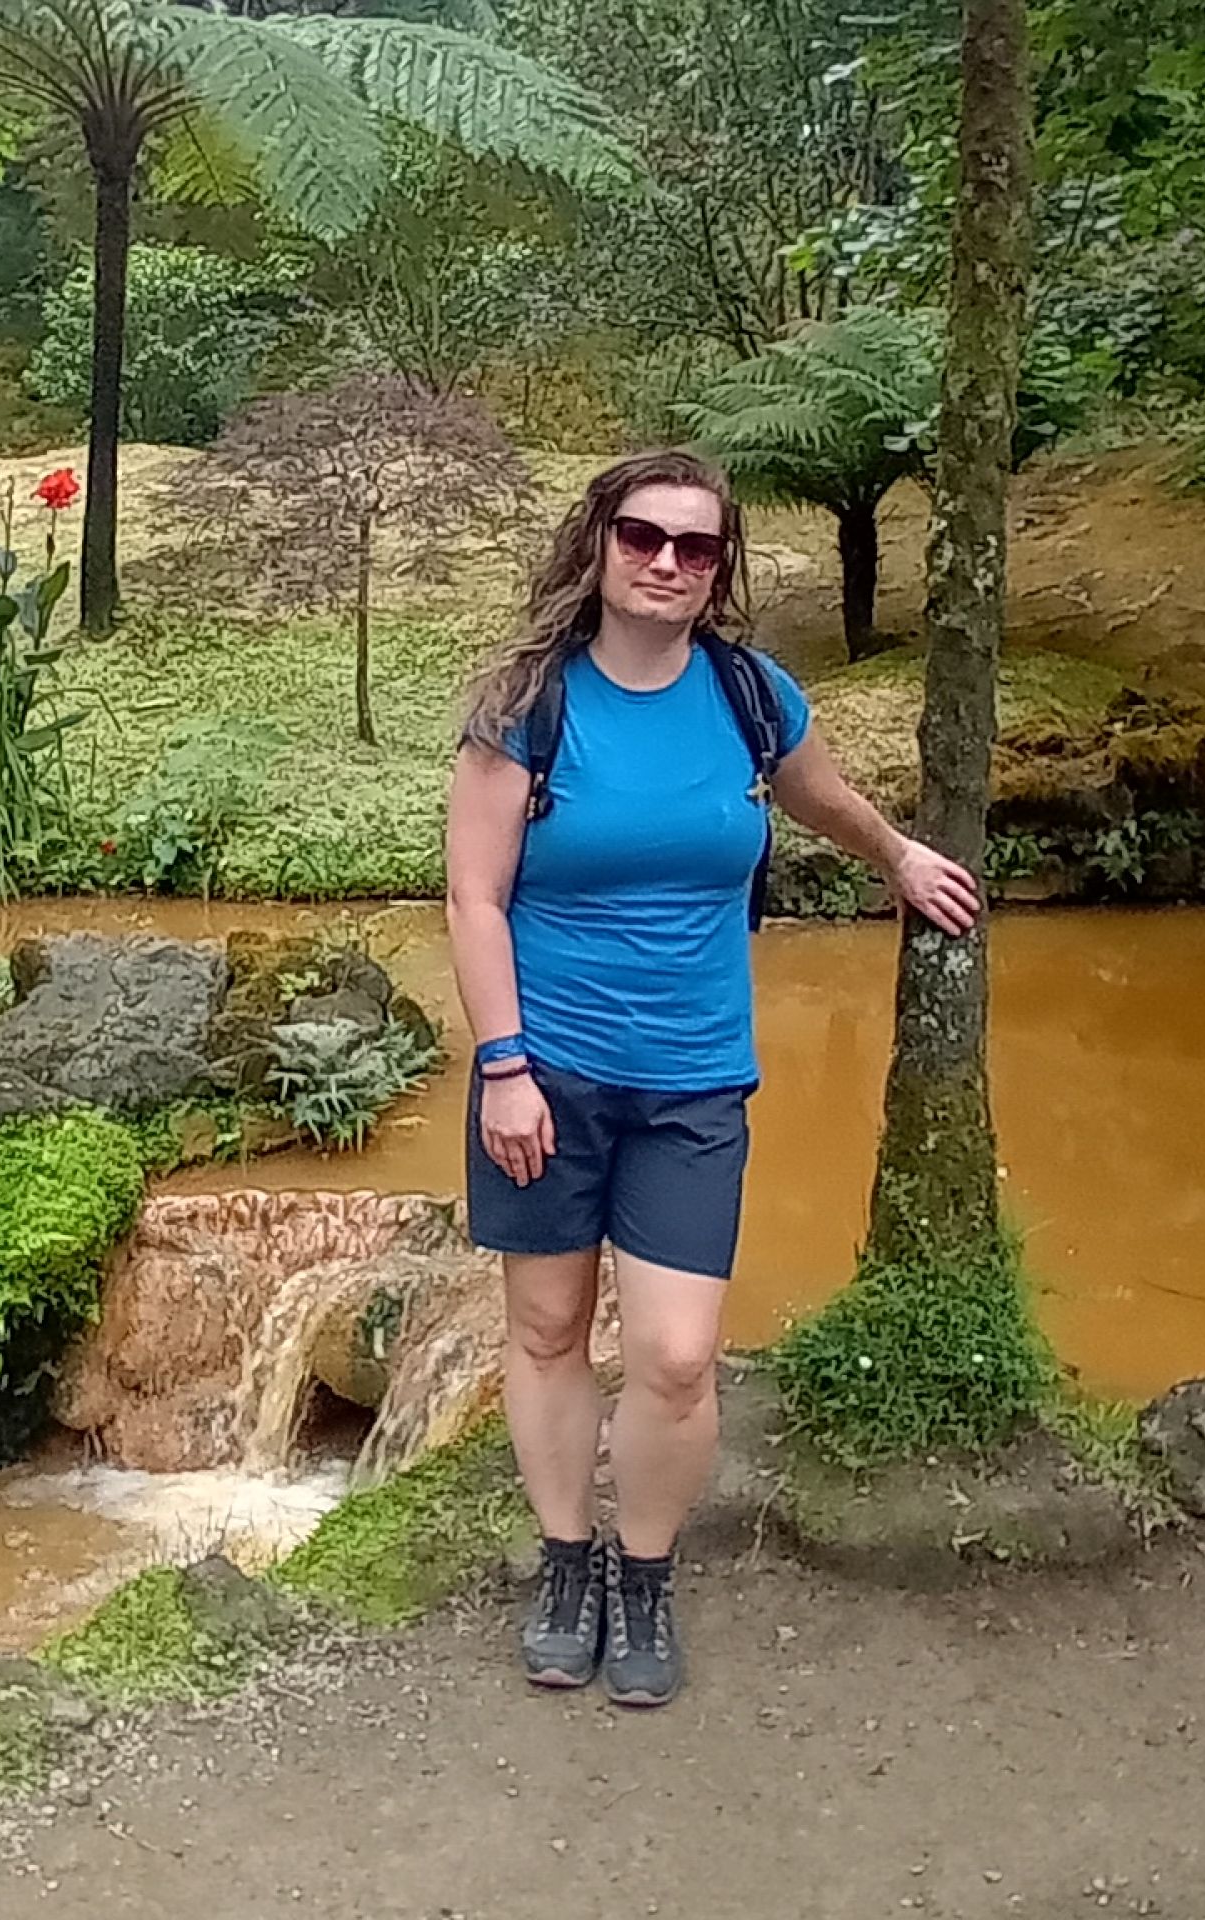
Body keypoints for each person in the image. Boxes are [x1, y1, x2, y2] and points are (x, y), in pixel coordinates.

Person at [445, 450, 981, 1708]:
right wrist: (505, 1065)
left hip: (692, 1081)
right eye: (645, 536)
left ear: (720, 567)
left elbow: (821, 796)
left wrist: (900, 857)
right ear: (599, 543)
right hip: (546, 1073)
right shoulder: (529, 703)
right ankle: (565, 1562)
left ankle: (644, 1574)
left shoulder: (748, 694)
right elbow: (474, 898)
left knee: (680, 1356)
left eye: (697, 546)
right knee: (548, 1327)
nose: (668, 563)